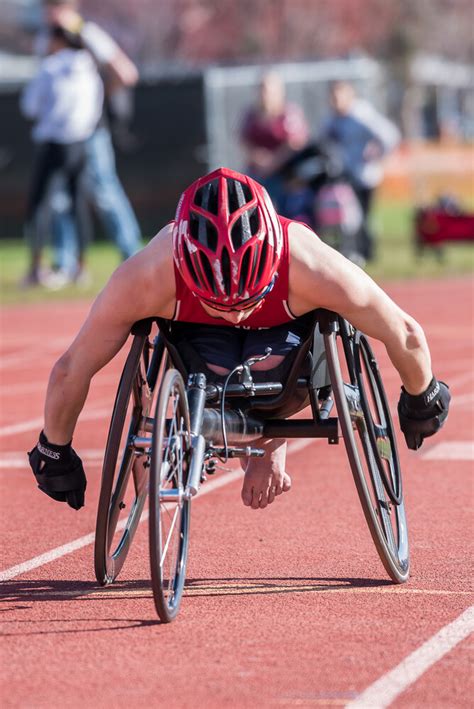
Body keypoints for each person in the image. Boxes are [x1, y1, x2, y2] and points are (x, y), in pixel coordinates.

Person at [28, 167, 450, 511]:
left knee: (270, 377)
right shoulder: (150, 274)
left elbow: (404, 331)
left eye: (247, 300)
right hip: (198, 343)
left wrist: (421, 396)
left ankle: (268, 444)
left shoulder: (308, 262)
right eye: (222, 305)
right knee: (218, 375)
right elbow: (74, 366)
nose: (236, 314)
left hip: (284, 341)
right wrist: (54, 450)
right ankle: (255, 438)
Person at [39, 0, 142, 281]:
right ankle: (65, 263)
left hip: (92, 131)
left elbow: (126, 73)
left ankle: (132, 256)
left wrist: (94, 98)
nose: (49, 12)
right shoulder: (46, 38)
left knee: (105, 192)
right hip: (60, 133)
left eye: (54, 6)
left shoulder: (88, 33)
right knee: (60, 196)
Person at [20, 23, 103, 287]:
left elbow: (30, 106)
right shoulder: (89, 68)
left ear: (58, 40)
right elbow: (95, 107)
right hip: (80, 142)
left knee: (39, 204)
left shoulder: (50, 68)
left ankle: (35, 268)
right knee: (78, 204)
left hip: (53, 143)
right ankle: (80, 267)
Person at [319, 81, 401, 263]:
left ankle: (367, 252)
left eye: (338, 96)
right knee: (349, 215)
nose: (335, 101)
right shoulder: (332, 120)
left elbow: (390, 135)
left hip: (364, 175)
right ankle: (353, 251)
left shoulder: (362, 115)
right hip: (345, 175)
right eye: (332, 97)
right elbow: (322, 140)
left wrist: (377, 152)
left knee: (364, 216)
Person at [240, 71, 309, 209]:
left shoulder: (289, 114)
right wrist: (257, 157)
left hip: (285, 175)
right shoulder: (251, 115)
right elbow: (244, 140)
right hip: (257, 173)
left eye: (267, 89)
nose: (264, 93)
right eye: (261, 88)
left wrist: (273, 162)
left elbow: (296, 143)